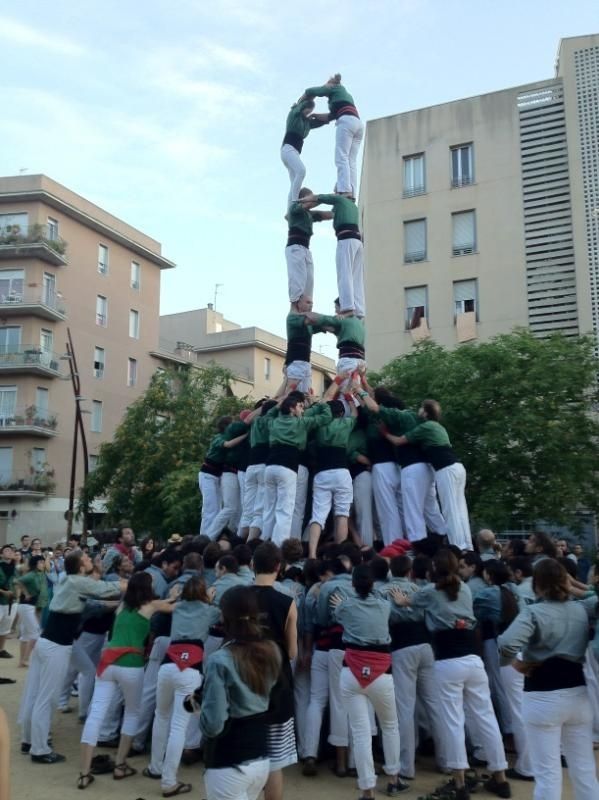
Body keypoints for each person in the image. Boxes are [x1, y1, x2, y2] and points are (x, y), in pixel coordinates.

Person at [392, 550, 510, 800]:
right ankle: (500, 777)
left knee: (453, 721)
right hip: (473, 659)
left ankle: (458, 783)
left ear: (434, 569)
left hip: (448, 661)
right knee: (486, 718)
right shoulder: (465, 589)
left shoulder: (430, 591)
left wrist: (400, 597)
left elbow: (405, 603)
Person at [498, 558, 599, 800]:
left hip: (542, 694)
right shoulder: (583, 608)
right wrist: (581, 588)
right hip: (577, 694)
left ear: (537, 584)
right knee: (584, 768)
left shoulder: (533, 612)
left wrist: (514, 663)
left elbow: (507, 642)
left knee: (547, 773)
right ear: (566, 581)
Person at [18, 551, 123, 764]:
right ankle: (39, 749)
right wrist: (130, 585)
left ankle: (29, 740)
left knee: (35, 694)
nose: (89, 560)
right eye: (86, 559)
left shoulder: (70, 580)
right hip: (56, 646)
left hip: (48, 642)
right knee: (46, 698)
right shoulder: (76, 581)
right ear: (81, 566)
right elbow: (104, 590)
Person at [78, 572, 178, 788]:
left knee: (96, 714)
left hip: (107, 663)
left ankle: (84, 773)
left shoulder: (123, 606)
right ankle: (120, 764)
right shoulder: (150, 606)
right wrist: (177, 594)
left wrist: (169, 598)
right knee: (132, 713)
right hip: (131, 665)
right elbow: (171, 607)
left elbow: (163, 602)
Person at [193, 586, 281, 800]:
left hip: (228, 758)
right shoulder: (272, 650)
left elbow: (213, 725)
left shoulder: (220, 660)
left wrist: (199, 711)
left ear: (225, 615)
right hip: (260, 757)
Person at [331, 564, 407, 798]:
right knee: (390, 725)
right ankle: (394, 778)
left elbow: (337, 612)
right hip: (381, 669)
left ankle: (367, 789)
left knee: (361, 732)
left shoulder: (345, 606)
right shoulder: (385, 606)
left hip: (351, 669)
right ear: (373, 584)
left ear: (353, 584)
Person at [147, 575, 220, 797]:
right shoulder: (210, 610)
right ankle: (169, 781)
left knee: (161, 716)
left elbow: (154, 605)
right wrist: (210, 600)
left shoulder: (177, 607)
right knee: (179, 726)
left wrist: (173, 597)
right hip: (191, 670)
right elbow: (224, 614)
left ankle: (155, 767)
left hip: (168, 665)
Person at [385, 399, 473, 551]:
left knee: (449, 510)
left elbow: (399, 441)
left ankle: (457, 547)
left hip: (446, 470)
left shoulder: (425, 426)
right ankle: (467, 545)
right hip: (457, 467)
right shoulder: (439, 427)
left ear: (425, 412)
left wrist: (385, 432)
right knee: (459, 508)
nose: (418, 411)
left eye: (421, 409)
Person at [251, 542, 298, 800]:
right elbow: (292, 652)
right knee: (275, 761)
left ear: (251, 565)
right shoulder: (287, 602)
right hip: (277, 682)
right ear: (279, 568)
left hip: (243, 681)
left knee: (245, 756)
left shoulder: (236, 597)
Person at [262, 392, 332, 546]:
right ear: (292, 410)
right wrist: (320, 403)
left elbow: (266, 417)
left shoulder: (274, 422)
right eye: (300, 407)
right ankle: (278, 550)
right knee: (285, 511)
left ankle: (262, 546)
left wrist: (278, 405)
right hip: (287, 467)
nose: (302, 409)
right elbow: (326, 417)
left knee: (268, 510)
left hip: (270, 467)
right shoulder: (301, 422)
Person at [299, 193, 364, 317]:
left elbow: (318, 197)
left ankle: (347, 308)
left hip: (346, 239)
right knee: (356, 277)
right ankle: (359, 310)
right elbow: (328, 215)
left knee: (344, 274)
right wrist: (311, 215)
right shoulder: (351, 207)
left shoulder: (339, 200)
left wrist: (302, 201)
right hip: (357, 241)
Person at [308, 395, 357, 558]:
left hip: (322, 473)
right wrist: (350, 399)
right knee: (342, 514)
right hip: (341, 472)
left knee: (318, 515)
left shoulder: (320, 426)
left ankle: (312, 554)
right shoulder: (346, 423)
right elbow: (355, 414)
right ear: (342, 413)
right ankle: (340, 555)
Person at [301, 74, 364, 198]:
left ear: (332, 84)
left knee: (341, 156)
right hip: (357, 124)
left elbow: (312, 91)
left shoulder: (335, 88)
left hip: (346, 122)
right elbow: (330, 117)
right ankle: (351, 192)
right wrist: (315, 115)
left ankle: (345, 190)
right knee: (351, 160)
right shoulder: (344, 96)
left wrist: (301, 101)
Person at [285, 191, 332, 307]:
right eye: (309, 197)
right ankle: (295, 308)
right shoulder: (295, 208)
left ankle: (306, 309)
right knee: (298, 282)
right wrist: (329, 197)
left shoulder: (309, 214)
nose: (312, 199)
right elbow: (310, 203)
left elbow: (327, 215)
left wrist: (341, 203)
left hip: (306, 249)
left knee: (309, 284)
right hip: (295, 247)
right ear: (302, 198)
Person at [281, 99, 329, 207]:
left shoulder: (306, 123)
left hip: (294, 152)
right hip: (288, 149)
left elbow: (321, 122)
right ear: (302, 108)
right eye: (306, 111)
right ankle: (294, 202)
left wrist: (316, 115)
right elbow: (298, 107)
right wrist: (303, 102)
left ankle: (290, 209)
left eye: (309, 112)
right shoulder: (294, 115)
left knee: (294, 184)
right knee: (301, 171)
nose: (307, 114)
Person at [198, 416, 231, 536]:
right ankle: (204, 537)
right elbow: (227, 445)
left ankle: (211, 535)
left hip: (217, 477)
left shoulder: (226, 437)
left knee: (217, 510)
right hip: (207, 476)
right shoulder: (219, 438)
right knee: (210, 509)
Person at [16, 554, 48, 667]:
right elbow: (18, 581)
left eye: (43, 562)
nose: (42, 564)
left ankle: (22, 661)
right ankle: (25, 659)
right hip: (26, 606)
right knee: (35, 634)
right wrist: (26, 593)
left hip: (30, 606)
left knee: (25, 635)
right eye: (40, 562)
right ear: (35, 564)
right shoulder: (31, 575)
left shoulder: (41, 574)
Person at [0, 545, 17, 659]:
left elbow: (19, 582)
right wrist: (3, 592)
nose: (9, 552)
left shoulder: (16, 568)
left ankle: (1, 650)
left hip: (12, 602)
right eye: (6, 550)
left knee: (5, 628)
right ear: (1, 554)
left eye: (11, 551)